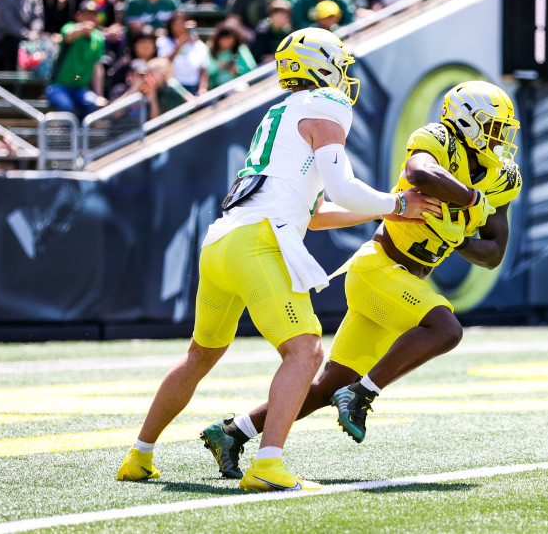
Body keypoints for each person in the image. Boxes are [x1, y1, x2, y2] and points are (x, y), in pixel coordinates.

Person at [117, 27, 441, 492]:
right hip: (259, 242)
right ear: (322, 67)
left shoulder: (281, 112)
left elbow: (316, 213)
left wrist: (390, 212)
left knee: (199, 356)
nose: (344, 77)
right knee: (305, 350)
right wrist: (396, 206)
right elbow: (343, 187)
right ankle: (268, 465)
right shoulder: (326, 103)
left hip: (222, 242)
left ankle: (139, 456)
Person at [201, 81, 520, 478]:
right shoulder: (437, 139)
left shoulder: (502, 176)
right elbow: (421, 174)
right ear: (466, 120)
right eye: (492, 126)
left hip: (405, 279)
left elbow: (492, 253)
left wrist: (459, 239)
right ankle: (362, 394)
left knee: (323, 387)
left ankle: (232, 431)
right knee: (445, 329)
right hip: (379, 267)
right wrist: (470, 201)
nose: (499, 137)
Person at [46, 0, 107, 120]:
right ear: (79, 15)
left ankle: (79, 136)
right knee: (67, 106)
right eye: (87, 14)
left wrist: (99, 94)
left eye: (93, 15)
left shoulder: (99, 38)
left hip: (80, 88)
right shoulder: (69, 27)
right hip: (58, 86)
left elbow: (97, 66)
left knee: (92, 103)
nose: (90, 18)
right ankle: (67, 138)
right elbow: (69, 36)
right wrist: (83, 28)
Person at [157, 11, 210, 95]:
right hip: (172, 89)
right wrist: (180, 45)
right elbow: (164, 64)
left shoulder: (200, 45)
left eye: (182, 23)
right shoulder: (163, 41)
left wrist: (202, 88)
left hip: (194, 87)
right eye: (176, 23)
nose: (179, 27)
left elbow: (204, 71)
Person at [206, 22, 255, 87]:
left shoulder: (240, 49)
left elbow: (252, 67)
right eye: (224, 38)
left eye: (229, 38)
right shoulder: (209, 49)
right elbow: (204, 72)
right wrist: (218, 68)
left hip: (236, 87)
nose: (226, 41)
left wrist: (238, 71)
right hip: (214, 88)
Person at [249, 0, 292, 64]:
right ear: (273, 15)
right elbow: (263, 59)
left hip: (281, 63)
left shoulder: (287, 32)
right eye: (283, 14)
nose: (286, 17)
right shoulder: (262, 32)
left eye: (287, 14)